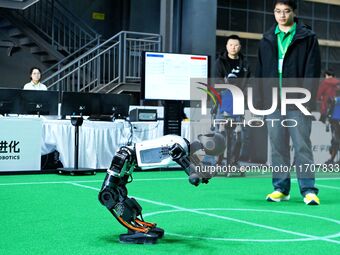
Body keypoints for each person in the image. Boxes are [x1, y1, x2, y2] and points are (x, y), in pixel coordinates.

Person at [254, 0, 321, 205]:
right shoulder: (266, 38)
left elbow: (312, 71)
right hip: (273, 102)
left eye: (286, 11)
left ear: (294, 12)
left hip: (297, 101)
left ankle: (308, 189)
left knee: (302, 146)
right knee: (277, 147)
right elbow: (259, 72)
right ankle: (281, 189)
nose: (282, 15)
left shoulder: (307, 37)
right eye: (278, 11)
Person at [214, 35, 251, 168]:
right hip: (223, 102)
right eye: (231, 45)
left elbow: (248, 82)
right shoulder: (220, 62)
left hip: (239, 103)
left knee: (238, 134)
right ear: (227, 46)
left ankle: (234, 162)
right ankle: (218, 162)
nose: (233, 47)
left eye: (236, 45)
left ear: (239, 47)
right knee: (220, 134)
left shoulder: (244, 63)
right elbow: (217, 82)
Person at [317, 70, 340, 164]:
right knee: (335, 138)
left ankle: (332, 159)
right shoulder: (337, 84)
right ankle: (332, 159)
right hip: (334, 115)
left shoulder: (324, 84)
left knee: (335, 138)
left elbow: (318, 96)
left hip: (334, 115)